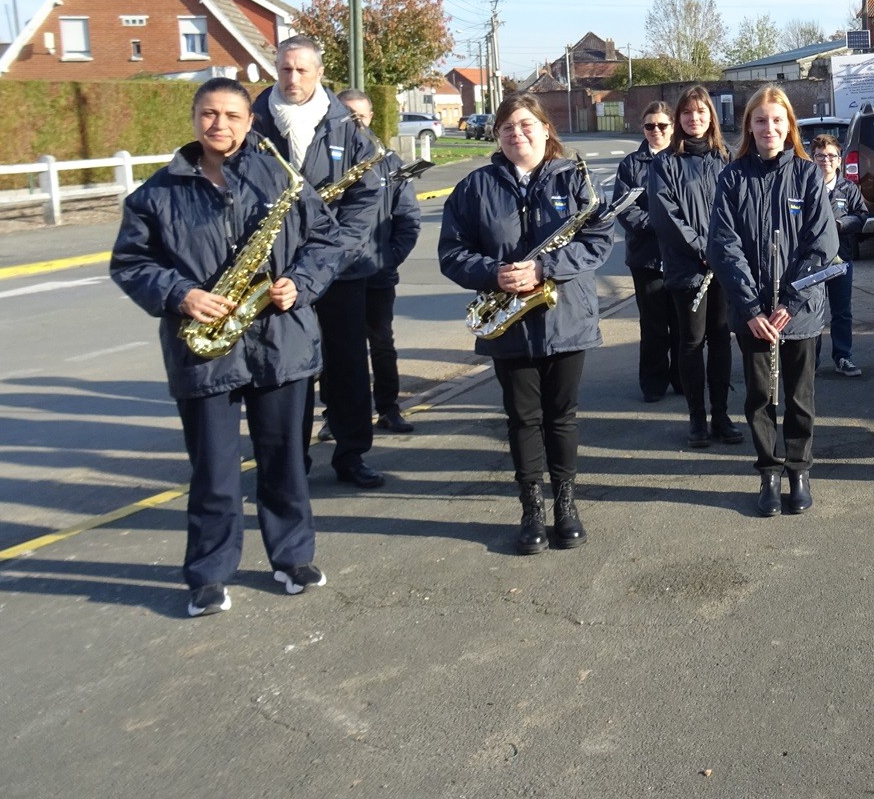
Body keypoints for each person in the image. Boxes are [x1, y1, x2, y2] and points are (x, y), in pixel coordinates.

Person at [110, 78, 348, 616]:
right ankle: (209, 573)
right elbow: (130, 264)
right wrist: (180, 294)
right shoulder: (156, 193)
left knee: (285, 461)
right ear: (194, 118)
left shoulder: (281, 177)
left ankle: (292, 557)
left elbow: (326, 240)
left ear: (250, 122)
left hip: (278, 341)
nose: (220, 125)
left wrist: (301, 283)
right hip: (204, 348)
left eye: (232, 116)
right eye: (209, 114)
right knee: (214, 473)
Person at [438, 95, 614, 553]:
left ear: (544, 127)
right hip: (508, 322)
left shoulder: (575, 178)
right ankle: (531, 507)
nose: (517, 134)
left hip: (565, 318)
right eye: (506, 128)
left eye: (525, 124)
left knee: (562, 418)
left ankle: (567, 504)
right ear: (497, 135)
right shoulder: (475, 187)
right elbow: (452, 253)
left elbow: (598, 241)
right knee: (522, 419)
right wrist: (492, 273)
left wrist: (545, 269)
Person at [250, 36, 387, 489]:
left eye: (301, 71)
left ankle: (352, 455)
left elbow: (364, 201)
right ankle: (292, 465)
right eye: (285, 69)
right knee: (286, 371)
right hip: (274, 273)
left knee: (346, 365)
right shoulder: (250, 121)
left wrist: (327, 258)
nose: (292, 79)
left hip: (338, 270)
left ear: (319, 72)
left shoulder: (347, 126)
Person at [708, 86, 838, 516]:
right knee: (760, 397)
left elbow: (822, 244)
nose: (769, 128)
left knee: (800, 397)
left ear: (789, 125)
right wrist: (750, 309)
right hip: (753, 315)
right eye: (760, 120)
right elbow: (724, 247)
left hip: (798, 313)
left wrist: (792, 302)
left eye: (777, 120)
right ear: (749, 125)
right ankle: (768, 472)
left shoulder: (807, 175)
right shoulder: (732, 177)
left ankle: (799, 470)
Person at [647, 86, 741, 448]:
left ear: (710, 117)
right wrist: (702, 248)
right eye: (687, 113)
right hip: (688, 269)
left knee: (721, 339)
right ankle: (697, 418)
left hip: (723, 267)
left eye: (700, 112)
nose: (694, 118)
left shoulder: (724, 158)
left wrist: (724, 250)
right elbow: (664, 214)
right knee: (691, 342)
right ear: (678, 120)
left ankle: (721, 415)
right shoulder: (664, 163)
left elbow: (736, 210)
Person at [339, 90, 423, 433]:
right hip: (334, 277)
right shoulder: (325, 161)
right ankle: (338, 415)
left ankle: (388, 408)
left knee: (382, 345)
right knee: (340, 350)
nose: (356, 123)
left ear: (372, 116)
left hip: (377, 273)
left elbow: (408, 219)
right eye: (348, 116)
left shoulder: (389, 162)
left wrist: (389, 259)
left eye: (361, 116)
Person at [615, 101, 684, 403]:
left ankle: (684, 379)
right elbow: (624, 209)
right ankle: (653, 383)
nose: (656, 131)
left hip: (682, 256)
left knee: (683, 324)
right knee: (654, 324)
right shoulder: (631, 164)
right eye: (649, 126)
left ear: (672, 126)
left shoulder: (684, 159)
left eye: (662, 125)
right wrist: (659, 224)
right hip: (646, 257)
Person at [809, 133, 866, 376]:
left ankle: (843, 356)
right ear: (813, 159)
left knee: (841, 311)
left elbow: (862, 216)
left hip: (841, 259)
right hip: (812, 261)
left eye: (831, 156)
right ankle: (810, 362)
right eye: (820, 156)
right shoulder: (806, 186)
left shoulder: (848, 188)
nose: (826, 161)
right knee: (813, 311)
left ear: (839, 160)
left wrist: (842, 225)